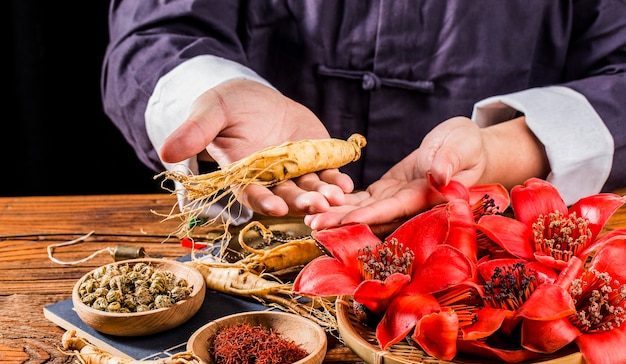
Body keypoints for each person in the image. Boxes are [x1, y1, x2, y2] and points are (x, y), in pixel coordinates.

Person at [101, 1, 626, 235]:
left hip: (487, 245)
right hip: (262, 234)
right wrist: (215, 90)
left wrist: (506, 149)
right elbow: (154, 31)